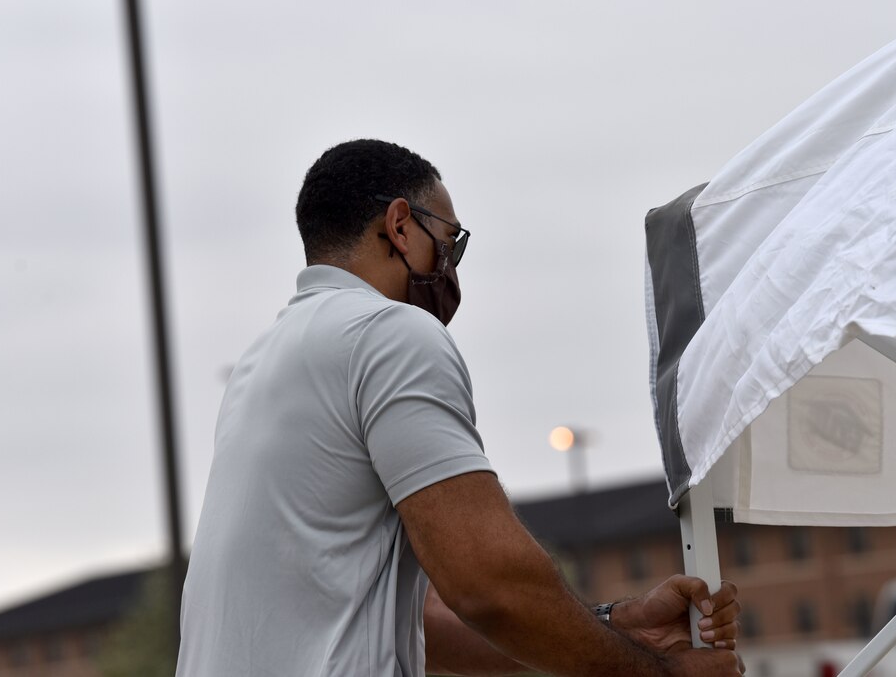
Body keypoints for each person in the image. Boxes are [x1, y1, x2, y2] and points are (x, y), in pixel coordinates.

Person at [175, 139, 742, 677]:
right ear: (400, 226)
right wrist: (657, 673)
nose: (452, 266)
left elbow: (425, 622)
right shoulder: (388, 333)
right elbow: (488, 585)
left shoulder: (261, 364)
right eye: (452, 242)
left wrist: (617, 625)